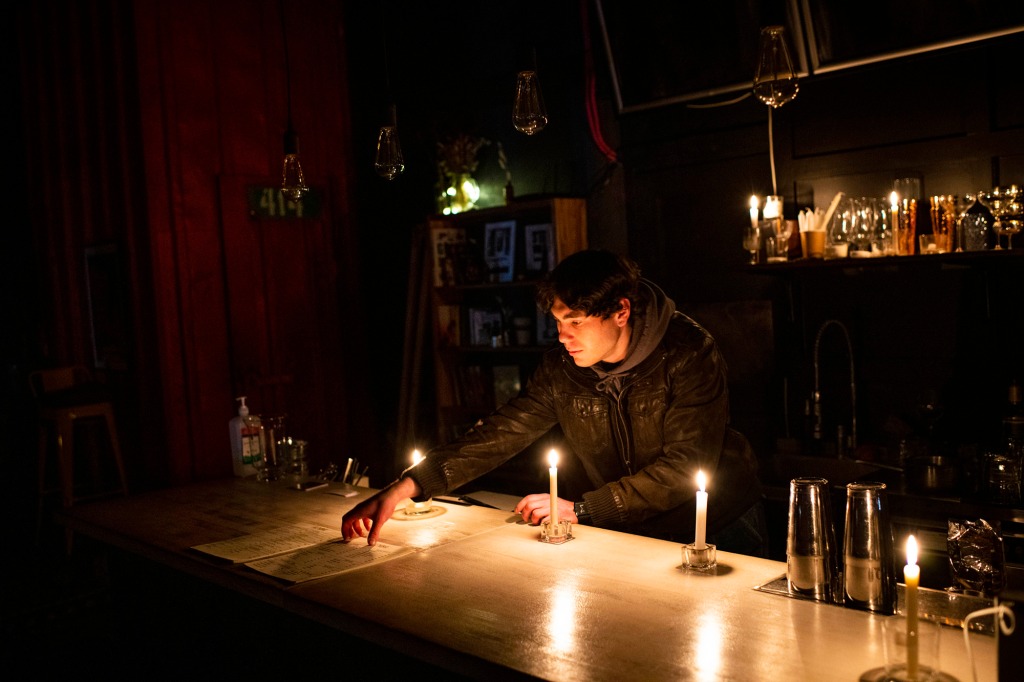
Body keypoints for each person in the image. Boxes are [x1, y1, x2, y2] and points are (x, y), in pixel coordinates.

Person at [342, 249, 767, 556]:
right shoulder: (563, 368)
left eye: (576, 322)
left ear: (621, 311)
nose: (564, 337)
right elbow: (505, 430)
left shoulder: (688, 353)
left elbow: (683, 467)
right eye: (559, 322)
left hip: (719, 525)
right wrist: (407, 486)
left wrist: (581, 508)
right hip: (628, 526)